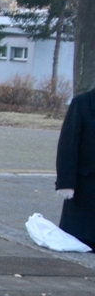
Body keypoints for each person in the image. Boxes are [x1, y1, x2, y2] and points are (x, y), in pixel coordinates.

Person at [56, 88, 95, 249]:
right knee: (81, 241)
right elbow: (68, 144)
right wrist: (66, 182)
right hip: (87, 188)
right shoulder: (82, 103)